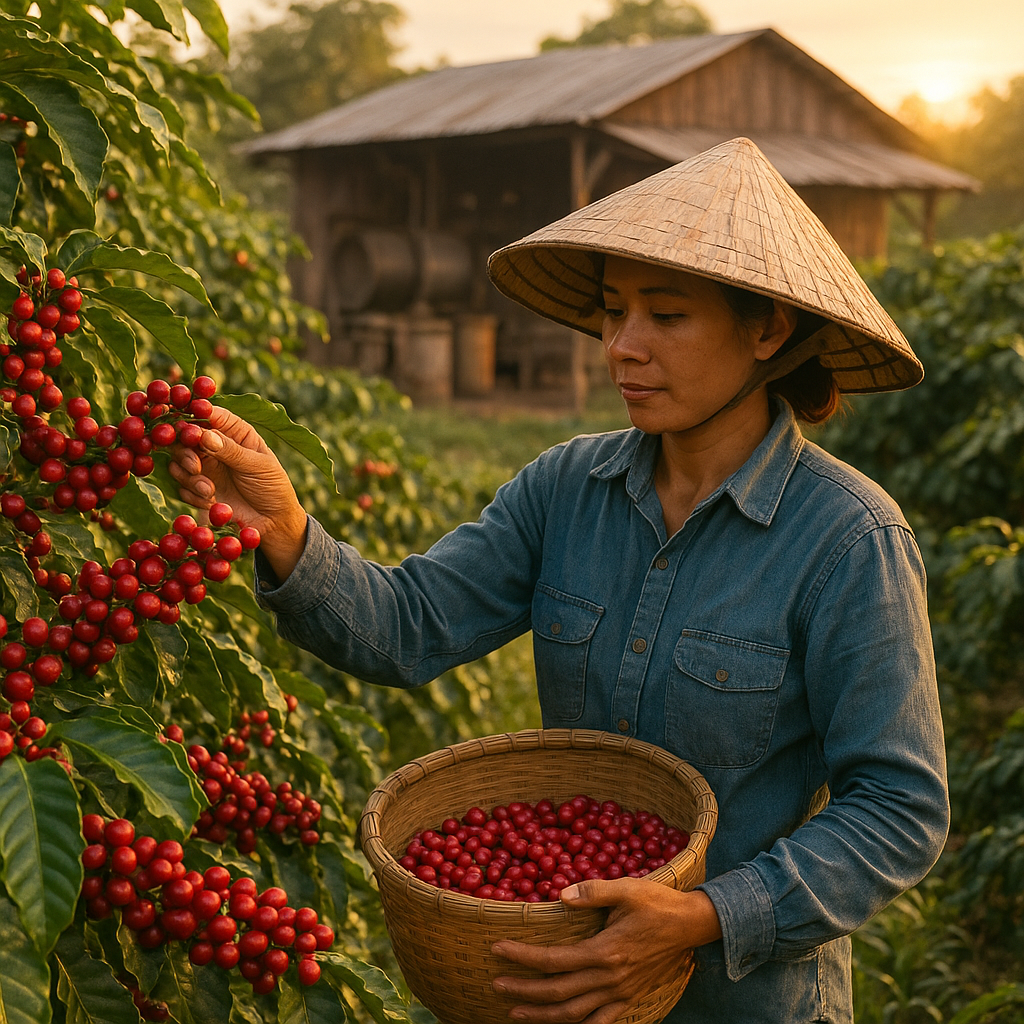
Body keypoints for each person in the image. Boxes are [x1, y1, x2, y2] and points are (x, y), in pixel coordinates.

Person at [169, 138, 948, 1023]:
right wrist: (284, 528)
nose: (622, 347)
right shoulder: (565, 490)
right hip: (555, 991)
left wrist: (698, 917)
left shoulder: (849, 538)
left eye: (667, 317)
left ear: (767, 329)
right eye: (614, 313)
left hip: (745, 1002)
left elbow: (900, 807)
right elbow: (409, 625)